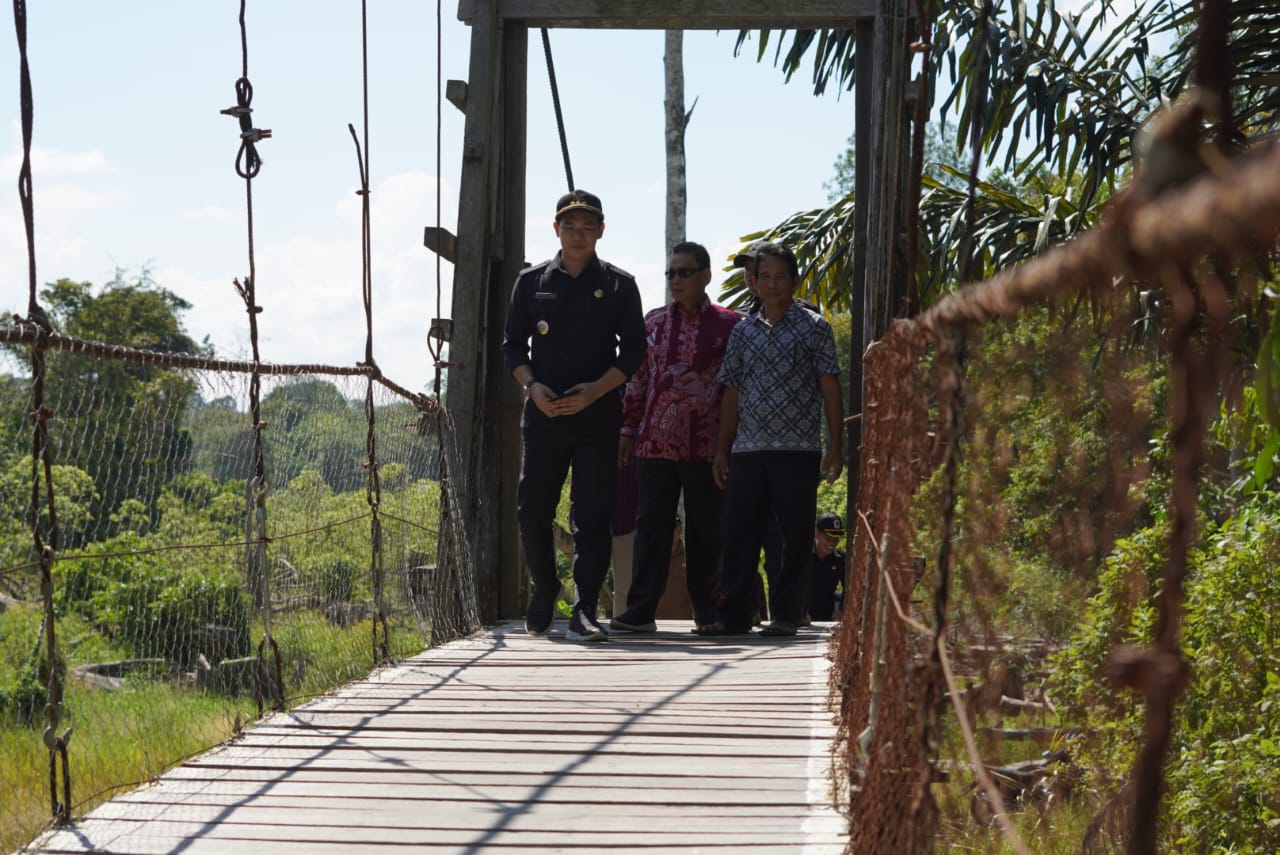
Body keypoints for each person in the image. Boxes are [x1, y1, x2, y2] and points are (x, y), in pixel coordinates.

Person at [501, 189, 647, 642]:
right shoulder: (531, 282)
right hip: (544, 415)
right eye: (570, 227)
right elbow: (512, 347)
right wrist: (532, 386)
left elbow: (634, 351)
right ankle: (545, 587)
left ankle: (584, 610)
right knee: (531, 510)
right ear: (556, 230)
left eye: (587, 227)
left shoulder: (620, 285)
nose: (578, 235)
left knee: (593, 516)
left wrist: (595, 392)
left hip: (596, 417)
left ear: (601, 231)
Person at [700, 241, 844, 637]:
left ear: (794, 281)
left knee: (794, 536)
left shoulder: (815, 328)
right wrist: (722, 449)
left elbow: (830, 386)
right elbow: (731, 392)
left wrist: (836, 445)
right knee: (739, 533)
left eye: (781, 276)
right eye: (765, 277)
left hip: (798, 449)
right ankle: (733, 616)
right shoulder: (743, 332)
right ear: (754, 282)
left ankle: (786, 615)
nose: (773, 284)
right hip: (748, 449)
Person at [609, 241, 741, 633]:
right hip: (654, 444)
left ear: (706, 275)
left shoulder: (731, 326)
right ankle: (640, 611)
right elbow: (638, 380)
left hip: (707, 447)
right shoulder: (652, 323)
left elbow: (737, 389)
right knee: (652, 526)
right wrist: (628, 430)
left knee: (706, 530)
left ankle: (709, 613)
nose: (676, 280)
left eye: (685, 272)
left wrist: (728, 446)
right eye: (671, 273)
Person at [806, 512, 846, 622]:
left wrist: (841, 609)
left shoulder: (840, 559)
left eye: (836, 539)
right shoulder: (804, 557)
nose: (832, 543)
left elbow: (848, 588)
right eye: (828, 538)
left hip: (828, 616)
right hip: (802, 615)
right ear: (816, 534)